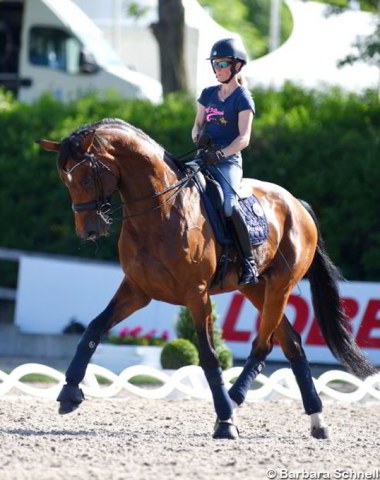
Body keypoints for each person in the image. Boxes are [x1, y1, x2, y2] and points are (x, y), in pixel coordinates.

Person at [191, 37, 258, 286]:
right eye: (215, 64)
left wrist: (220, 154)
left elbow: (244, 138)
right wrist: (199, 138)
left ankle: (249, 261)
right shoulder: (208, 94)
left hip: (228, 162)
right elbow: (196, 126)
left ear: (237, 66)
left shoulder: (243, 98)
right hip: (204, 156)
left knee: (229, 206)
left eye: (222, 63)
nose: (217, 68)